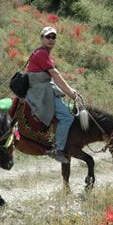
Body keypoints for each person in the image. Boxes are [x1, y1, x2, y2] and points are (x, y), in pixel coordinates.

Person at [25, 26, 77, 164]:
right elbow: (55, 75)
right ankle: (58, 149)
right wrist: (70, 92)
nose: (51, 39)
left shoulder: (40, 52)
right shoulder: (42, 54)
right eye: (48, 37)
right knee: (67, 116)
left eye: (54, 37)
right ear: (42, 38)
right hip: (41, 91)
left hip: (41, 88)